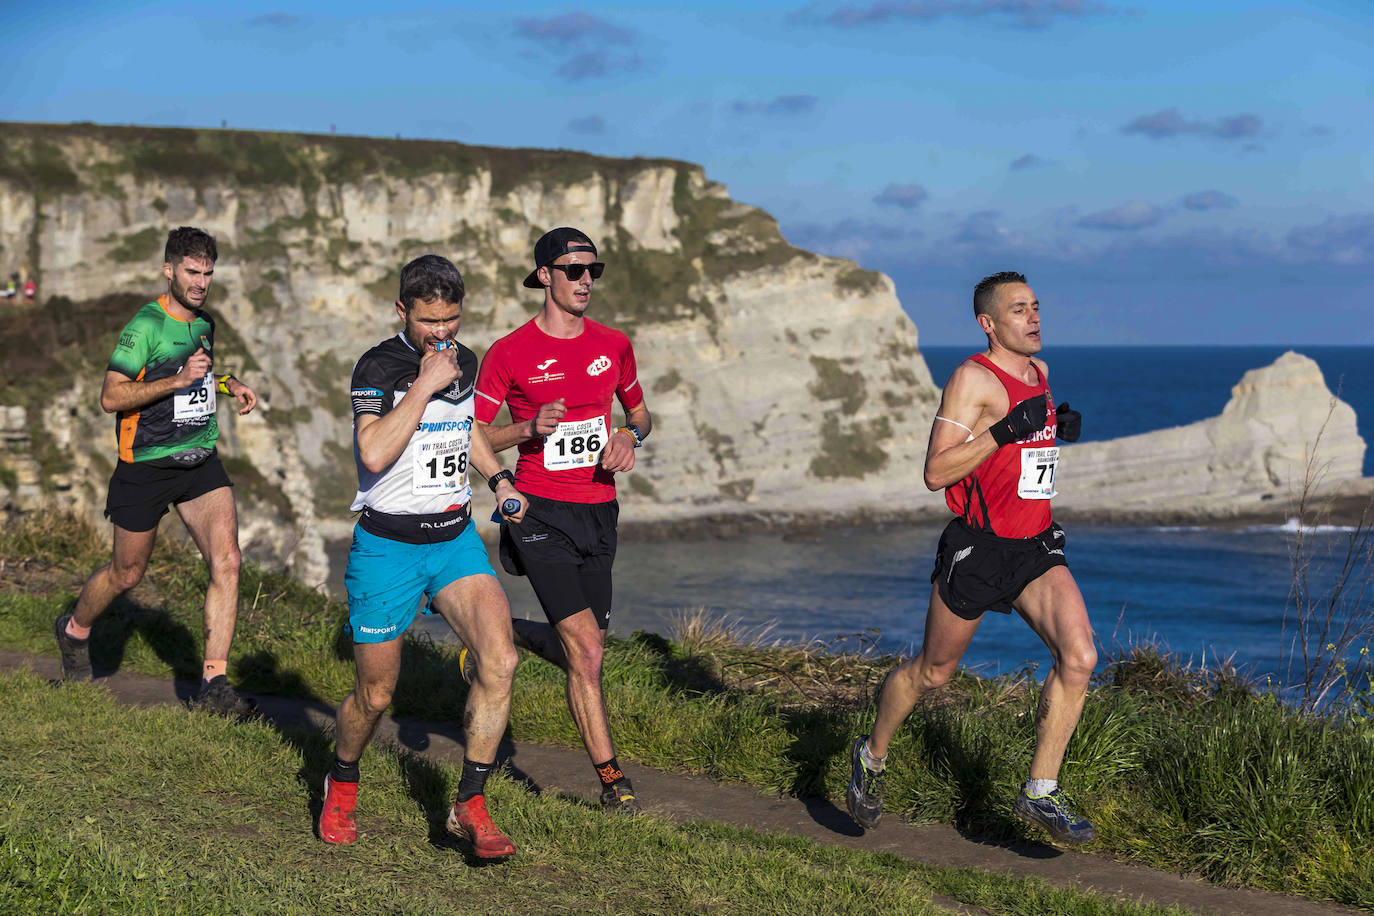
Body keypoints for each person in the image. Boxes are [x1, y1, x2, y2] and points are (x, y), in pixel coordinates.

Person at [845, 271, 1095, 845]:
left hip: (1035, 546)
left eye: (1036, 306)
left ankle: (1041, 792)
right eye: (1018, 310)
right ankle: (871, 755)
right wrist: (1008, 430)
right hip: (977, 548)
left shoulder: (1041, 374)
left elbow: (1028, 455)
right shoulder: (971, 380)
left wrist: (1058, 430)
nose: (1033, 318)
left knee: (1079, 656)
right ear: (988, 324)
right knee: (934, 673)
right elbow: (936, 472)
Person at [317, 255, 526, 859]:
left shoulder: (467, 358)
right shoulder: (377, 366)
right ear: (403, 311)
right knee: (376, 695)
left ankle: (471, 804)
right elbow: (375, 452)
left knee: (500, 658)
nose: (444, 333)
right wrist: (425, 384)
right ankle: (343, 779)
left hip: (455, 540)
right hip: (388, 546)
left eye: (453, 320)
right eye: (431, 320)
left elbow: (464, 429)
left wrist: (500, 481)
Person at [473, 227, 652, 813]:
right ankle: (612, 781)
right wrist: (524, 432)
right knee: (586, 649)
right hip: (537, 509)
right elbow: (470, 433)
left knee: (590, 646)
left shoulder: (615, 344)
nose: (584, 281)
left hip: (600, 509)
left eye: (592, 271)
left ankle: (518, 633)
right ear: (544, 276)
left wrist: (629, 436)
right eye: (573, 270)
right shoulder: (510, 351)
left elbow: (642, 415)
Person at [53, 227, 258, 717]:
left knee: (227, 560)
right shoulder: (144, 326)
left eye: (208, 273)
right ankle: (74, 629)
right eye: (192, 271)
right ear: (169, 270)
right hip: (144, 466)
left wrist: (230, 385)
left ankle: (213, 685)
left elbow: (201, 373)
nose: (201, 282)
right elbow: (111, 397)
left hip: (199, 461)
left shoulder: (205, 322)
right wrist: (176, 380)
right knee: (127, 573)